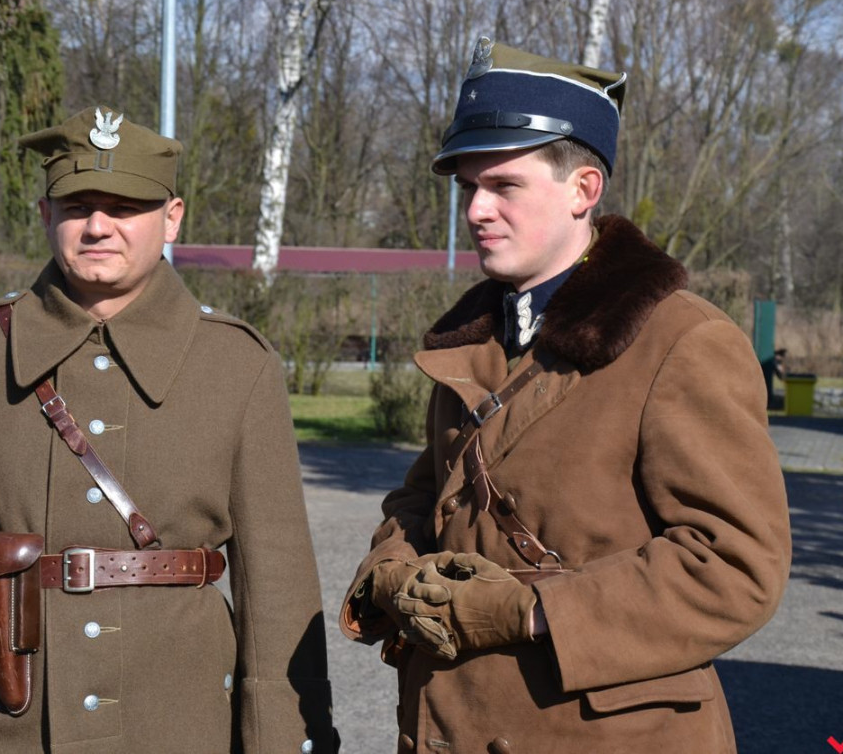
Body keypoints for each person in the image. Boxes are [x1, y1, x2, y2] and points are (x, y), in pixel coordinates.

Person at [0, 105, 337, 754]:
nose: (98, 226)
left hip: (177, 725)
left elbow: (278, 585)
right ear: (47, 216)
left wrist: (289, 740)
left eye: (124, 207)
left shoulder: (237, 365)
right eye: (76, 207)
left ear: (172, 218)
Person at [339, 40, 790, 754]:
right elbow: (425, 496)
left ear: (583, 189)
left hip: (607, 736)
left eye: (504, 186)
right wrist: (390, 571)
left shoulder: (681, 341)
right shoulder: (471, 340)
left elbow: (733, 564)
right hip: (448, 727)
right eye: (468, 187)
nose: (477, 210)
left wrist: (528, 611)